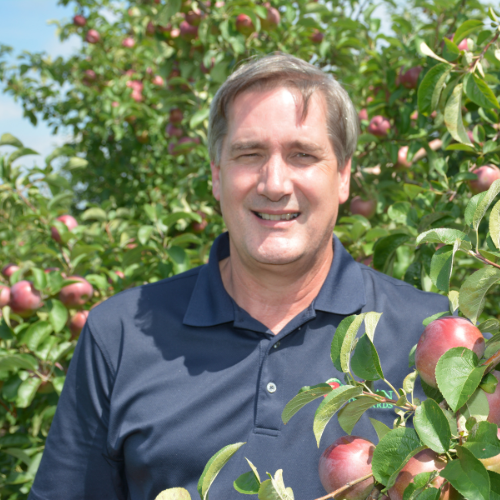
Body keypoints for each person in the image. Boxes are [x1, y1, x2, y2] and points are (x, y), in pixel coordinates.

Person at [29, 53, 448, 500]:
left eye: (302, 155)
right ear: (216, 176)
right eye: (249, 154)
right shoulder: (119, 334)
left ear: (343, 176)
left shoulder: (431, 336)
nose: (274, 183)